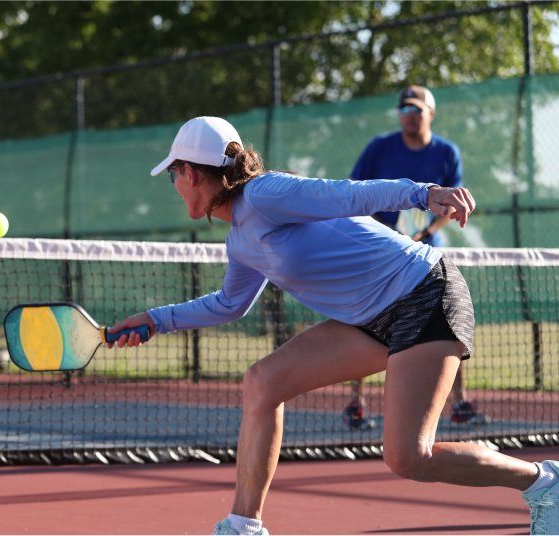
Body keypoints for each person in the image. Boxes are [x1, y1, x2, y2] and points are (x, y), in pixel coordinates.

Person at [107, 116, 558, 535]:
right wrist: (154, 320)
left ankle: (544, 482)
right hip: (368, 318)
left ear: (189, 172)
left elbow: (348, 194)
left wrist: (423, 193)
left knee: (408, 457)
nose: (174, 184)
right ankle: (244, 526)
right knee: (263, 382)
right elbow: (230, 304)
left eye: (173, 174)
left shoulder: (265, 194)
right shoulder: (240, 240)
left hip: (424, 293)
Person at [345, 85, 488, 430]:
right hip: (380, 251)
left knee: (449, 322)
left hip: (425, 257)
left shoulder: (446, 152)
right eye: (404, 110)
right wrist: (377, 235)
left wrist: (422, 234)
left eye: (417, 110)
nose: (410, 116)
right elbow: (353, 192)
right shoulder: (379, 148)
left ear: (431, 113)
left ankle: (459, 403)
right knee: (364, 319)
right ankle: (355, 404)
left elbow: (452, 202)